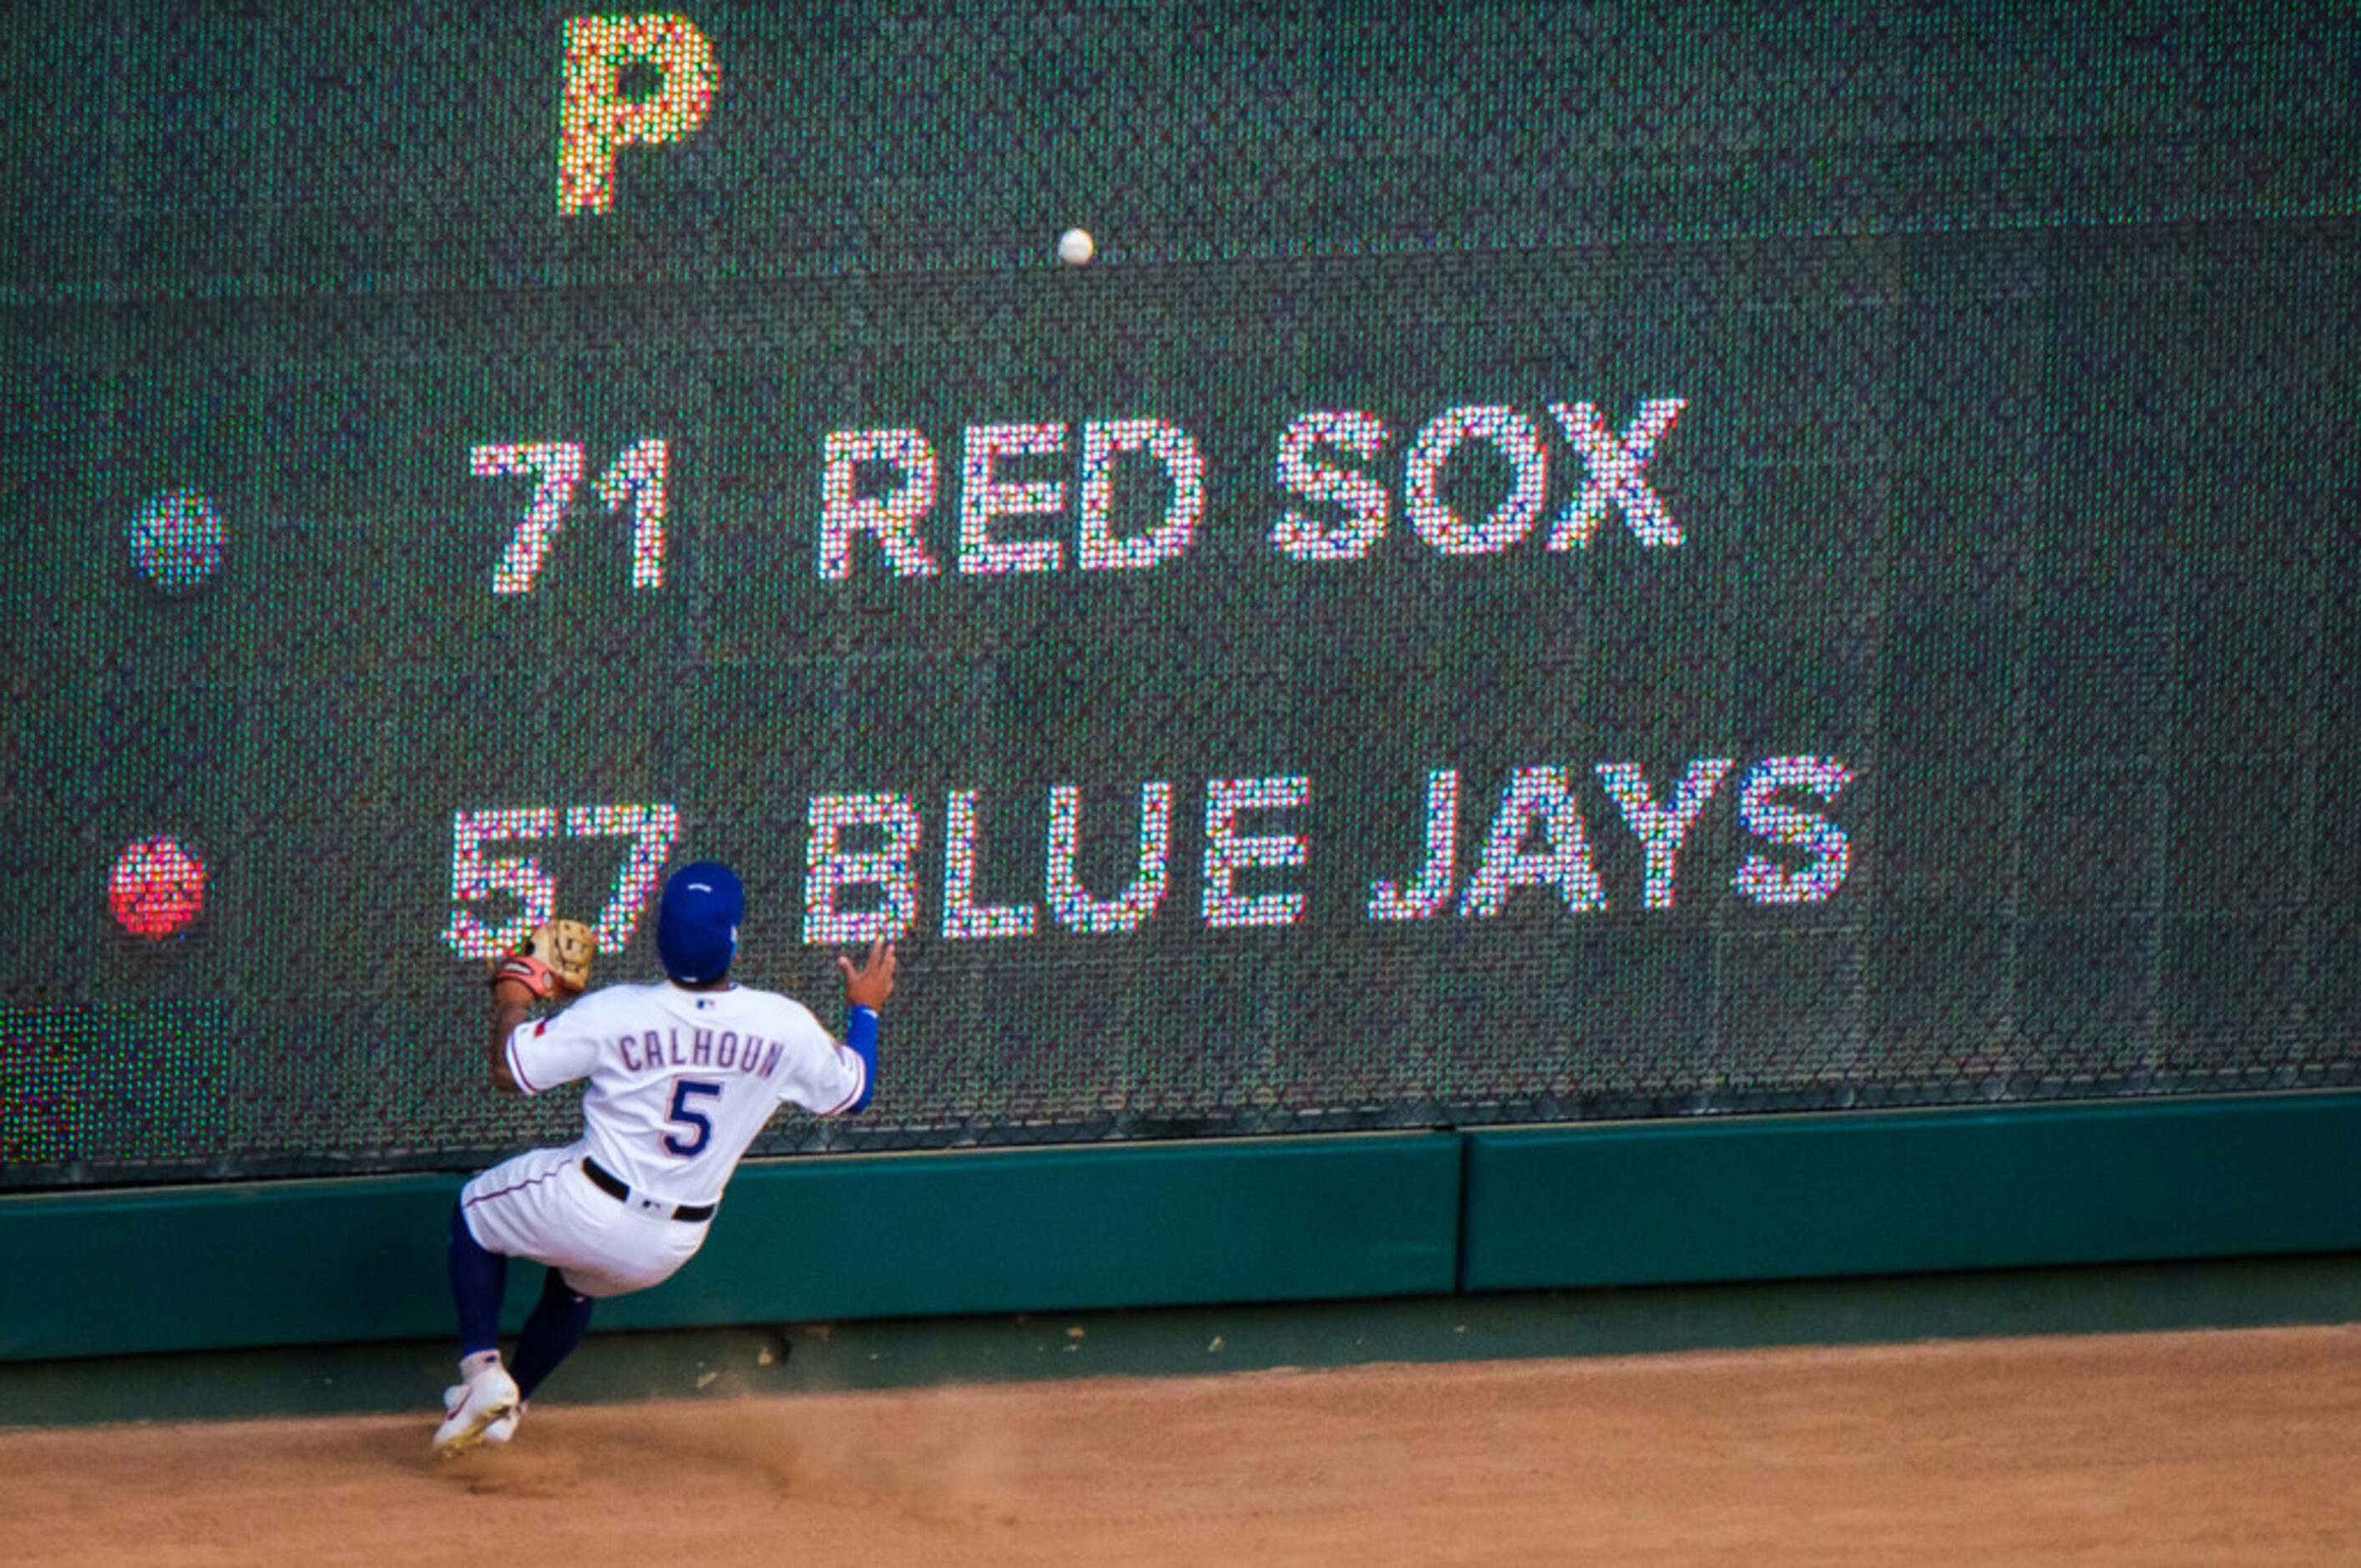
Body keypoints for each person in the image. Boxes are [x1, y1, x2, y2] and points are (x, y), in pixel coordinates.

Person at [432, 860, 895, 1456]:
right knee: (575, 1286)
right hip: (671, 1244)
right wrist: (866, 1008)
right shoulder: (784, 1026)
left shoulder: (616, 1010)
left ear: (658, 937)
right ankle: (507, 1411)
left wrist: (516, 994)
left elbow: (509, 1071)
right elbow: (855, 1092)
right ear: (734, 939)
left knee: (473, 1211)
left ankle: (480, 1374)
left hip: (587, 1203)